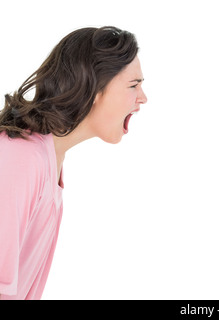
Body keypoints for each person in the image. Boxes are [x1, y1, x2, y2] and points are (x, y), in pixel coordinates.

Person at [0, 26, 147, 300]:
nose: (143, 98)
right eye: (133, 85)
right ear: (93, 90)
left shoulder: (48, 157)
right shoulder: (20, 157)